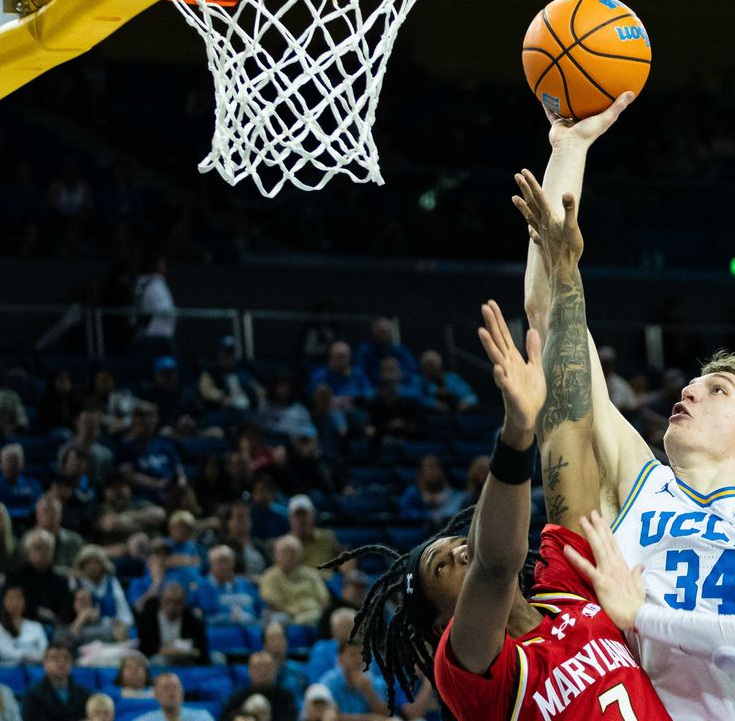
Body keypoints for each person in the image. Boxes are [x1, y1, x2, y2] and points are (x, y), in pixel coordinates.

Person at [516, 133, 735, 720]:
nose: (690, 389)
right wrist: (569, 145)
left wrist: (641, 615)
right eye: (692, 384)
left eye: (718, 390)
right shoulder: (639, 481)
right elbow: (552, 322)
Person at [331, 299, 671, 719]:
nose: (459, 552)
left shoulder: (566, 589)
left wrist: (560, 269)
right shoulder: (468, 671)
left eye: (457, 541)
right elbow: (493, 566)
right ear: (442, 625)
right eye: (442, 567)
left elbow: (569, 434)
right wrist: (517, 430)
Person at [317, 642, 432, 721]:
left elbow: (386, 714)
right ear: (340, 658)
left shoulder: (373, 682)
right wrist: (368, 718)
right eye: (352, 654)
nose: (357, 660)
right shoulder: (328, 683)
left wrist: (369, 692)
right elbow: (327, 717)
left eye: (362, 654)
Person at [134, 581, 210, 664]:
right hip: (160, 657)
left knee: (218, 657)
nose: (172, 606)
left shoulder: (193, 620)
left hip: (187, 659)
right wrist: (170, 652)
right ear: (162, 600)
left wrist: (190, 652)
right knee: (157, 661)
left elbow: (201, 649)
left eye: (178, 602)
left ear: (184, 603)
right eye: (169, 601)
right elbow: (145, 648)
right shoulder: (148, 618)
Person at [259, 536, 329, 625]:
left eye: (293, 553)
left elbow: (324, 599)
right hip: (286, 616)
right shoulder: (269, 576)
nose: (289, 557)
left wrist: (321, 613)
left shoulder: (311, 574)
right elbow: (271, 603)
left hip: (313, 613)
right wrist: (294, 613)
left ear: (300, 555)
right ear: (276, 555)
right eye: (284, 553)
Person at [7, 530, 71, 624]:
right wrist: (36, 611)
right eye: (38, 548)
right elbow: (10, 606)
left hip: (55, 626)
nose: (43, 552)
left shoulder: (61, 580)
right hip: (22, 624)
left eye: (47, 548)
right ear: (28, 551)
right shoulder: (15, 577)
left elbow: (66, 609)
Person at [194, 545, 263, 624]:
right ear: (210, 564)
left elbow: (260, 610)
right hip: (220, 632)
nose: (224, 566)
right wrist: (228, 618)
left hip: (252, 630)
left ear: (233, 563)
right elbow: (201, 618)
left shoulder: (245, 584)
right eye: (220, 561)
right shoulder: (202, 588)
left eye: (227, 561)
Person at [21, 643, 91, 721]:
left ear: (72, 663)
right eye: (55, 658)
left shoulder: (84, 694)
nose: (61, 662)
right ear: (45, 663)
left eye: (66, 658)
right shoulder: (32, 696)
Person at [220, 652, 297, 721]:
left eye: (267, 668)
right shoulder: (237, 698)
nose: (262, 672)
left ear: (275, 670)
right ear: (249, 671)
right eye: (258, 668)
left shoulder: (286, 698)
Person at [95, 474, 166, 549]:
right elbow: (110, 525)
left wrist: (126, 516)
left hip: (148, 548)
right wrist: (144, 523)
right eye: (113, 488)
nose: (118, 491)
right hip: (120, 551)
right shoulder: (103, 508)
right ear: (105, 492)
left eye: (121, 486)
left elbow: (160, 514)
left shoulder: (137, 504)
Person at [395, 457, 467, 529]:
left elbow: (458, 516)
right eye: (428, 468)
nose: (432, 472)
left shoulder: (455, 494)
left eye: (436, 467)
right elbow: (404, 513)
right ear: (421, 472)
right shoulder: (412, 492)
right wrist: (428, 515)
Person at [199, 336, 265, 413]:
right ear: (219, 353)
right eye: (226, 352)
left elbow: (256, 387)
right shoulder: (211, 370)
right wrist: (221, 397)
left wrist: (261, 397)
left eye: (231, 352)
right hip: (221, 410)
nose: (229, 356)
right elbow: (205, 390)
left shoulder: (241, 370)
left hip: (246, 410)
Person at [133, 254, 176, 356]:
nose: (165, 268)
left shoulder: (145, 283)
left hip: (150, 334)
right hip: (158, 335)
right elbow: (165, 308)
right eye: (162, 265)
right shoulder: (155, 284)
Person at [353, 317, 417, 386]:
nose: (383, 335)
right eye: (380, 331)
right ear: (372, 332)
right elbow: (359, 371)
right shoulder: (364, 350)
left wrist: (399, 377)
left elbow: (412, 369)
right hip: (372, 387)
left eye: (386, 331)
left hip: (399, 387)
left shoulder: (400, 349)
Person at [129, 673, 215, 721]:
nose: (172, 691)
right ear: (156, 694)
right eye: (166, 688)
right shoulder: (145, 720)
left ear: (182, 691)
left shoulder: (202, 717)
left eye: (175, 687)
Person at [29, 495, 84, 569]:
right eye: (45, 511)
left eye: (53, 511)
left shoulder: (74, 541)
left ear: (61, 514)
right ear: (37, 514)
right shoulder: (27, 541)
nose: (49, 515)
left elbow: (80, 569)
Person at [285, 497, 340, 571]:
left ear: (313, 515)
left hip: (327, 580)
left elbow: (342, 555)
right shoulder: (284, 544)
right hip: (300, 582)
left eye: (305, 514)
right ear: (290, 518)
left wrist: (349, 572)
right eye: (297, 515)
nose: (302, 520)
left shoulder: (327, 536)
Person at [0, 584, 47, 664]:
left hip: (34, 668)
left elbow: (44, 649)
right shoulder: (0, 626)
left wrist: (38, 658)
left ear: (25, 601)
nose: (15, 602)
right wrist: (27, 656)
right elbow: (5, 652)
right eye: (10, 598)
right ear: (3, 601)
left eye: (18, 597)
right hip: (7, 670)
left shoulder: (36, 626)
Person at [306, 608, 354, 683]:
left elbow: (376, 677)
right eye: (343, 626)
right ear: (333, 629)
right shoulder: (322, 648)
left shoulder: (364, 649)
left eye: (350, 625)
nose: (348, 630)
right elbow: (316, 679)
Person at [0, 444, 41, 521]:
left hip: (29, 523)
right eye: (8, 461)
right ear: (1, 464)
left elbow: (37, 506)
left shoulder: (32, 484)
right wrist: (24, 511)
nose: (11, 466)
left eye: (15, 462)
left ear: (22, 464)